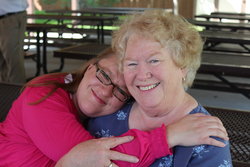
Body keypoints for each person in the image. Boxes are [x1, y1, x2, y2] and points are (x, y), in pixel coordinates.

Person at [0, 47, 228, 167]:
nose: (106, 90)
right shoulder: (44, 94)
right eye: (104, 75)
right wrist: (170, 135)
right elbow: (95, 160)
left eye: (121, 91)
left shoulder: (101, 117)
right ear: (90, 67)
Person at [88, 10, 233, 167]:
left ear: (182, 65)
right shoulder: (109, 111)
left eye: (154, 60)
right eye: (132, 64)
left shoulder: (207, 137)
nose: (142, 75)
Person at [0, 0, 28, 84]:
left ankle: (17, 94)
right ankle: (5, 93)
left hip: (10, 16)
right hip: (7, 16)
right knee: (3, 62)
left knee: (13, 60)